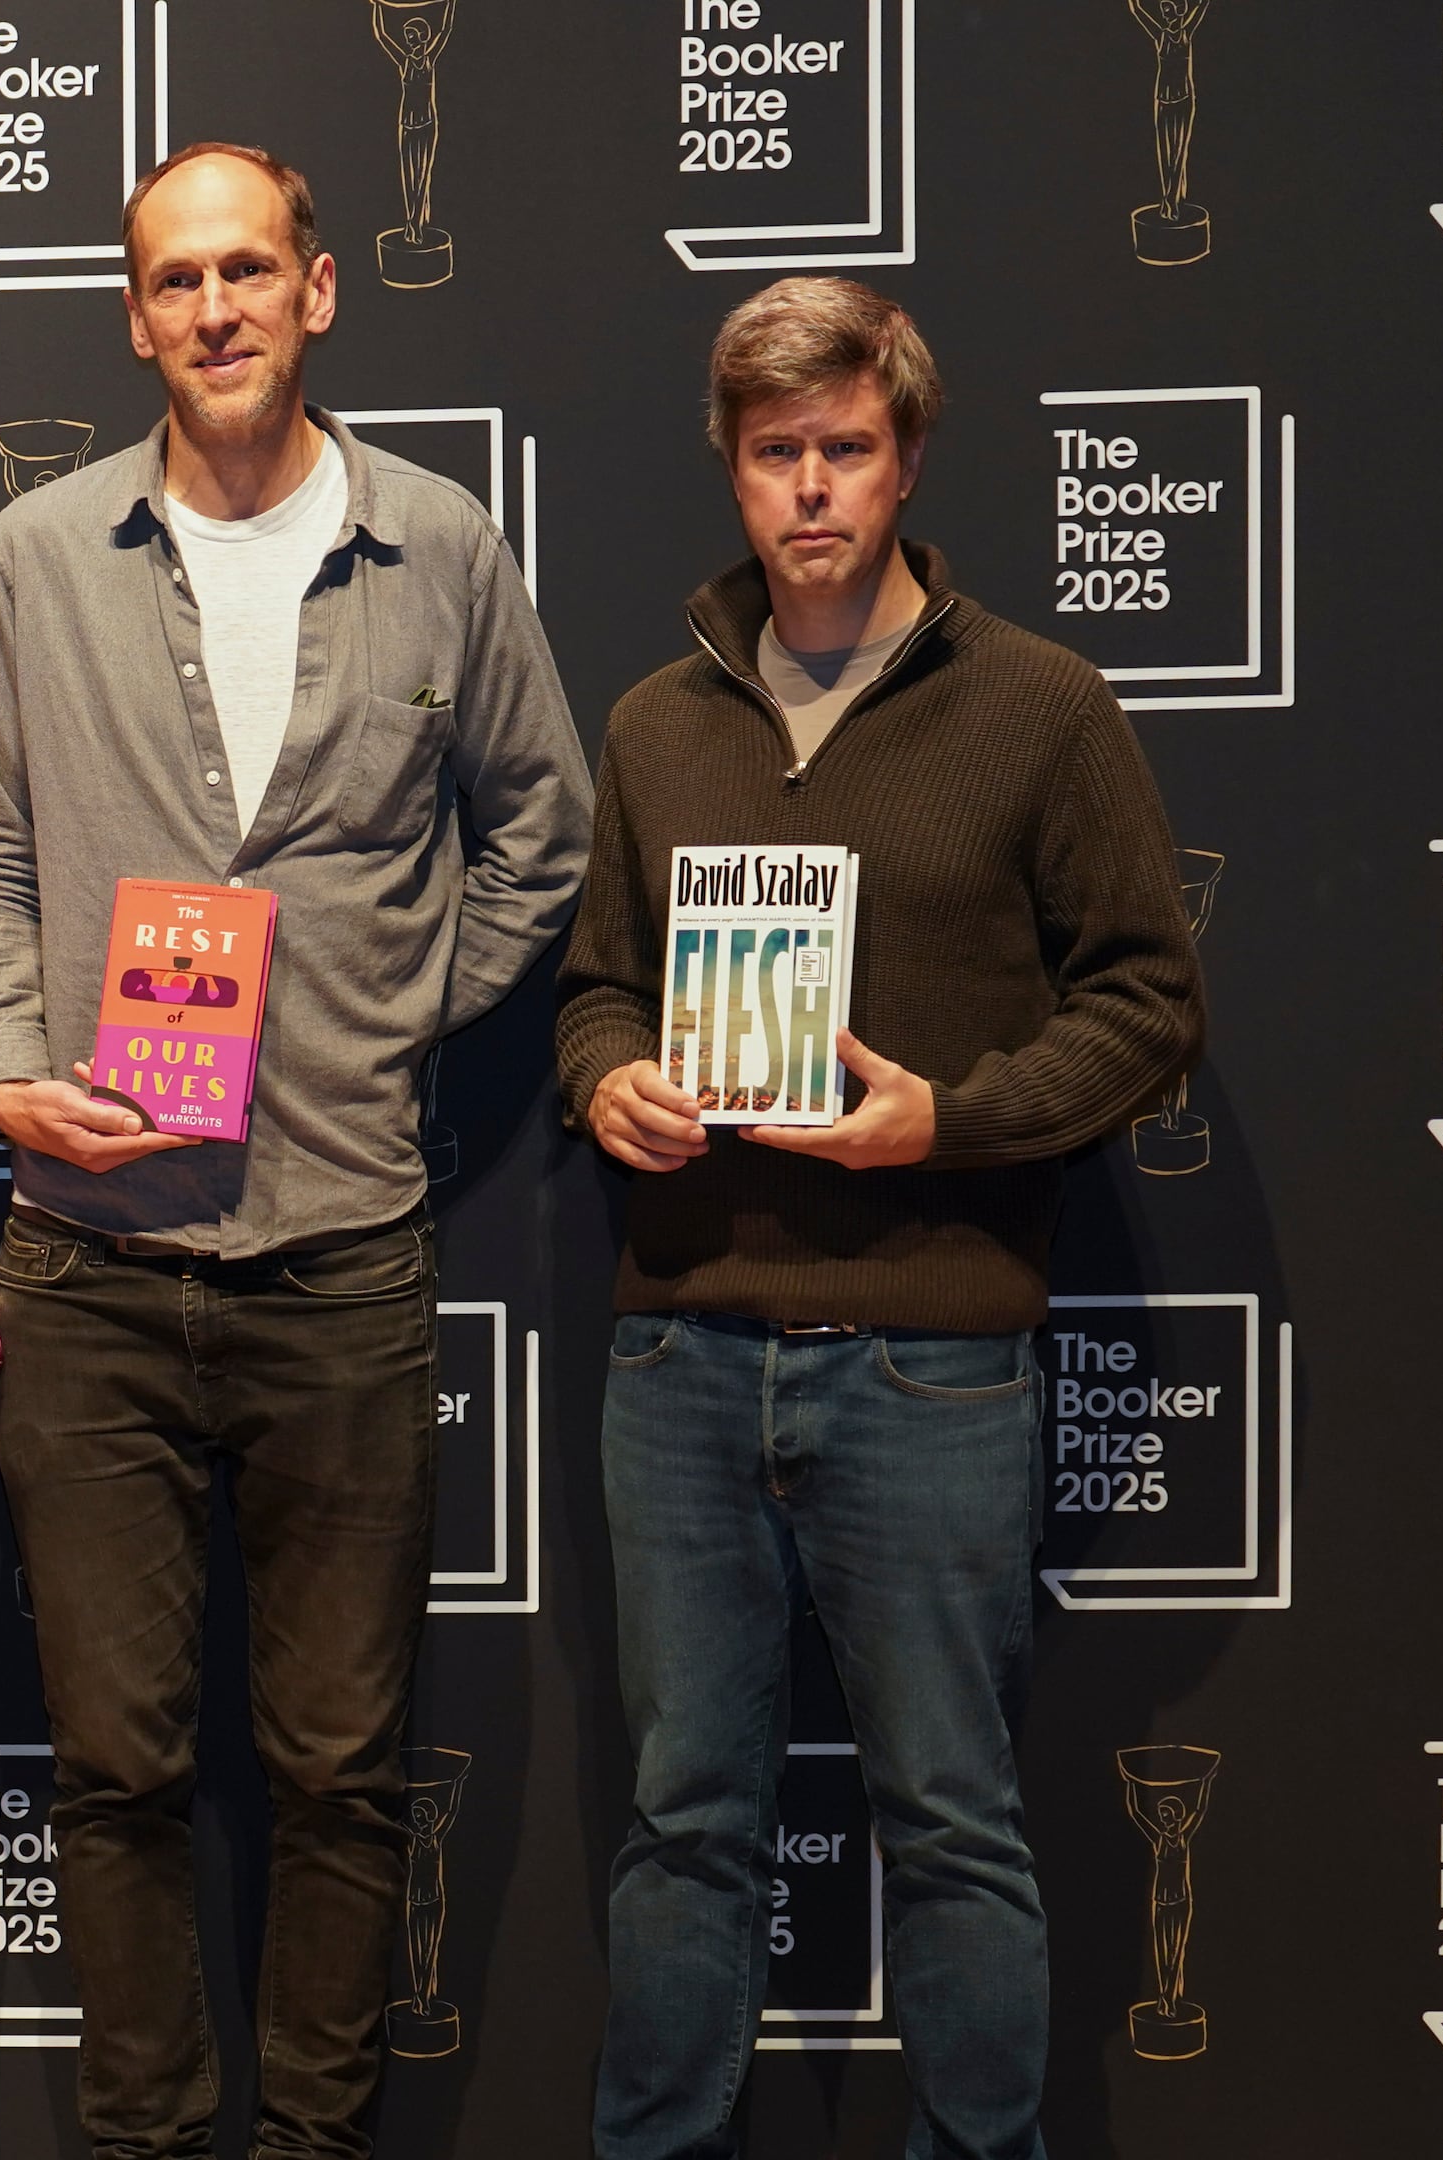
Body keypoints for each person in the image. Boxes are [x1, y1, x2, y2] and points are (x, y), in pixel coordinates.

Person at [0, 142, 590, 2156]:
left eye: (246, 269)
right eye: (174, 279)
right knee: (115, 1772)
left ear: (317, 288)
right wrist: (7, 1068)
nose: (213, 308)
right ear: (134, 319)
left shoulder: (441, 546)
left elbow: (544, 831)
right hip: (92, 1264)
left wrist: (390, 1007)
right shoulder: (41, 553)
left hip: (344, 1257)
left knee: (340, 1771)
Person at [558, 279, 1202, 2160]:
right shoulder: (657, 723)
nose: (813, 489)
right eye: (778, 454)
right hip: (681, 1351)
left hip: (932, 1361)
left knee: (951, 1821)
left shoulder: (1041, 706)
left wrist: (953, 1121)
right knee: (684, 1822)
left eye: (846, 448)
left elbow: (1149, 1002)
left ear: (907, 458)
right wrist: (607, 1080)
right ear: (733, 469)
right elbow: (596, 988)